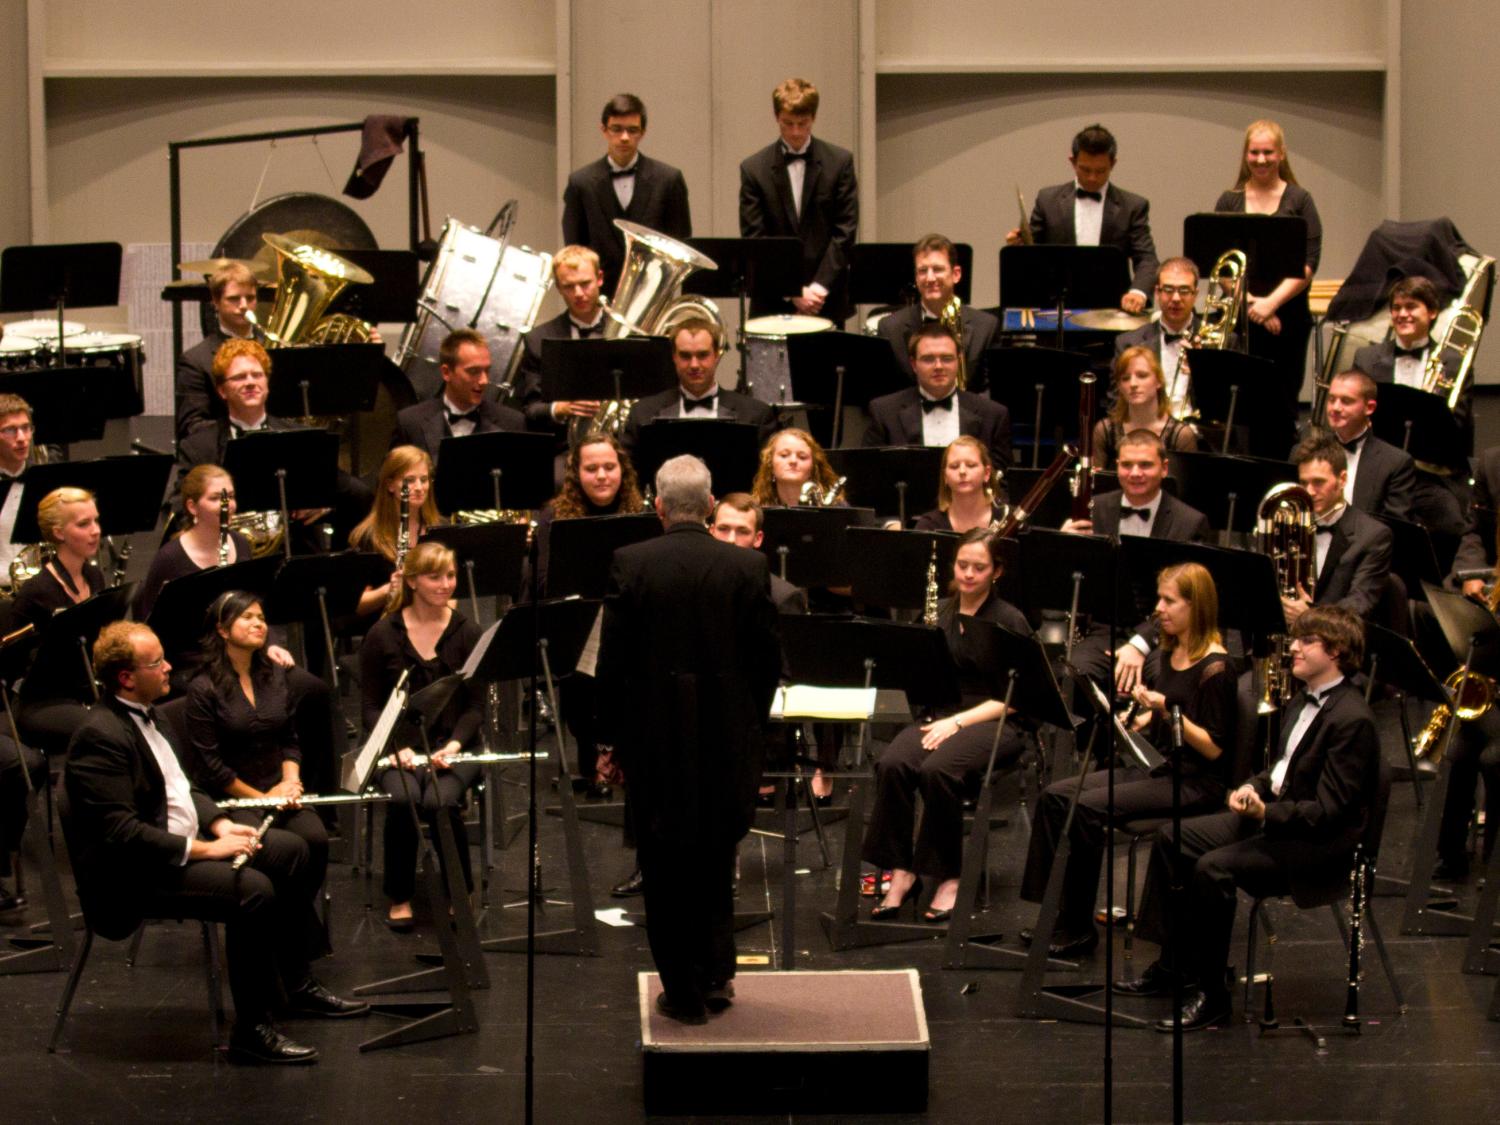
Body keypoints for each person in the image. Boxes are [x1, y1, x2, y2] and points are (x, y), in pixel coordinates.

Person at [64, 622, 368, 1064]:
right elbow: (121, 833)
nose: (170, 668)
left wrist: (221, 825)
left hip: (178, 846)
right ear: (126, 677)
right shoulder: (99, 735)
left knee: (291, 851)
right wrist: (207, 849)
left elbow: (184, 789)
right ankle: (252, 1030)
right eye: (156, 663)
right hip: (135, 873)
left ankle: (294, 983)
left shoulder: (158, 714)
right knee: (254, 892)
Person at [1119, 606, 1378, 1031]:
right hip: (1277, 817)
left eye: (1305, 641)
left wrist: (1267, 812)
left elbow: (1331, 812)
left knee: (1212, 868)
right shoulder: (1301, 698)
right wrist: (1253, 787)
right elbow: (1281, 768)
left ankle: (1213, 995)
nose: (1292, 647)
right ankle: (1174, 965)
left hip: (1316, 843)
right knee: (1171, 839)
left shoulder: (1353, 720)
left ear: (1335, 652)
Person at [597, 454, 780, 1023]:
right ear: (708, 507)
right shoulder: (747, 569)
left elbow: (613, 666)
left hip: (654, 739)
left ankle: (682, 991)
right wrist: (750, 721)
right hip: (727, 734)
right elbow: (767, 663)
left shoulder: (629, 563)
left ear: (657, 505)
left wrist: (610, 742)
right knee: (715, 856)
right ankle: (717, 976)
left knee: (663, 863)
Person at [1020, 562, 1237, 956]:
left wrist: (1166, 708)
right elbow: (1169, 712)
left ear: (1195, 606)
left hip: (1193, 782)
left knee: (1085, 808)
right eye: (1160, 598)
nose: (1160, 609)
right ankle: (1055, 909)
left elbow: (1213, 746)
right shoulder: (1171, 653)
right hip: (1157, 765)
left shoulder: (1217, 668)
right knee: (1055, 796)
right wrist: (1140, 718)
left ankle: (1077, 925)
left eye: (1169, 601)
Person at [862, 529, 1033, 923]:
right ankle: (902, 870)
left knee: (938, 770)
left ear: (997, 571)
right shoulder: (939, 610)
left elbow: (1017, 696)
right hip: (941, 714)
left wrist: (957, 723)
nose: (969, 574)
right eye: (962, 565)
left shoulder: (1010, 620)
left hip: (993, 720)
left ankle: (948, 874)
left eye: (979, 567)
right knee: (892, 764)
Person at [184, 591, 330, 954]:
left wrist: (291, 779)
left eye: (261, 617)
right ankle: (293, 938)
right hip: (233, 796)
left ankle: (287, 924)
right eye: (247, 617)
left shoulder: (273, 676)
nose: (258, 624)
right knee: (286, 848)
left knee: (316, 840)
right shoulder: (203, 689)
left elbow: (290, 739)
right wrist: (263, 798)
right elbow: (210, 767)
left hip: (277, 787)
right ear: (222, 629)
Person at [358, 542, 484, 931]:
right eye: (434, 577)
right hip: (396, 748)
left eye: (449, 575)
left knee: (442, 801)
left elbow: (476, 706)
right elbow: (370, 707)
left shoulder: (468, 632)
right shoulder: (382, 634)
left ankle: (457, 892)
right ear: (411, 581)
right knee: (404, 798)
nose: (445, 584)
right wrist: (397, 748)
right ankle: (399, 894)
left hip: (455, 746)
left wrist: (453, 745)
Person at [533, 433, 649, 814]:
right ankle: (593, 760)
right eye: (591, 468)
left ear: (622, 470)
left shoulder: (640, 512)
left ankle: (620, 760)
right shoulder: (555, 516)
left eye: (609, 467)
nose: (602, 475)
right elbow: (546, 576)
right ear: (576, 473)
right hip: (578, 616)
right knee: (582, 697)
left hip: (626, 615)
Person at [176, 339, 372, 545]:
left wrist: (324, 504)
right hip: (227, 557)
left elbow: (357, 495)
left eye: (257, 375)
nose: (250, 382)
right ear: (222, 391)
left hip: (295, 555)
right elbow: (181, 510)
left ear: (267, 384)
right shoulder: (198, 447)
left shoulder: (303, 439)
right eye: (239, 377)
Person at [1213, 120, 1323, 457]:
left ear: (1281, 154)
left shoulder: (1300, 199)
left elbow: (1309, 262)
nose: (1261, 159)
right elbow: (1221, 265)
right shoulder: (1230, 201)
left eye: (1268, 152)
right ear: (1246, 154)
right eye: (1255, 152)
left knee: (1282, 406)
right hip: (1242, 319)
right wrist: (1252, 306)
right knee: (1242, 405)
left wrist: (1271, 304)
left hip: (1288, 320)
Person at [1353, 275, 1473, 538]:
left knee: (1453, 527)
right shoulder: (1367, 358)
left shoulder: (1453, 362)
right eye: (1396, 308)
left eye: (1411, 307)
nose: (1402, 314)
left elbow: (1459, 428)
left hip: (1430, 476)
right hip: (1380, 473)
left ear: (1432, 312)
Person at [739, 77, 859, 324]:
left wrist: (818, 288)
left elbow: (845, 231)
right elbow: (756, 239)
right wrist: (793, 291)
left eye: (802, 124)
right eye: (787, 124)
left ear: (813, 118)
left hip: (826, 300)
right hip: (773, 300)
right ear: (776, 118)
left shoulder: (839, 163)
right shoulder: (754, 169)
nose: (795, 132)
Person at [1008, 124, 1159, 313]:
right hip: (1058, 310)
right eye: (1085, 170)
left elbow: (1146, 258)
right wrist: (1018, 247)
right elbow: (1034, 253)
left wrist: (1138, 292)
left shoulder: (1133, 206)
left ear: (1113, 163)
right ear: (1072, 161)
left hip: (1113, 310)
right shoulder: (1048, 200)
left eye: (1100, 171)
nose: (1092, 178)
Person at [562, 94, 691, 294]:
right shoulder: (581, 182)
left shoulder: (668, 180)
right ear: (603, 130)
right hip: (599, 296)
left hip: (652, 293)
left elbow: (680, 244)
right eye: (616, 129)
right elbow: (574, 250)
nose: (624, 137)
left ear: (643, 133)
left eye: (632, 130)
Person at [862, 322, 1012, 471]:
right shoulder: (884, 412)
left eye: (947, 358)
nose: (938, 366)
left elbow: (1001, 484)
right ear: (914, 364)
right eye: (928, 359)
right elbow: (870, 474)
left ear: (959, 361)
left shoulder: (993, 415)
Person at [620, 317, 778, 456]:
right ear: (674, 357)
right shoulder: (642, 414)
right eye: (685, 356)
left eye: (702, 355)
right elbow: (629, 478)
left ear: (717, 355)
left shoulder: (756, 415)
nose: (694, 365)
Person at [1282, 434, 1394, 627]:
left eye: (1318, 482)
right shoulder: (1289, 527)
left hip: (1340, 646)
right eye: (1303, 483)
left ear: (1342, 479)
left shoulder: (1374, 536)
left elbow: (1359, 605)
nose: (1309, 491)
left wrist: (1311, 616)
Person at [876, 234, 1000, 392]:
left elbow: (991, 395)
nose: (930, 278)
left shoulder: (986, 326)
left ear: (956, 274)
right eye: (922, 271)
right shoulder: (890, 328)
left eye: (937, 269)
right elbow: (885, 395)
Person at [513, 245, 609, 445]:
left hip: (617, 443)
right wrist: (560, 408)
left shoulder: (624, 333)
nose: (578, 293)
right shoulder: (538, 339)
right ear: (557, 287)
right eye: (568, 286)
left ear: (599, 278)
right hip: (564, 446)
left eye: (585, 283)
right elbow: (530, 408)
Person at [135, 463, 255, 622]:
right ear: (192, 507)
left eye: (230, 497)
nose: (228, 505)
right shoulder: (169, 558)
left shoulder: (241, 543)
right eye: (215, 498)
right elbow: (149, 621)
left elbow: (254, 606)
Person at [388, 328, 525, 466]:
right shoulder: (410, 423)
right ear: (446, 373)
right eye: (473, 371)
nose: (484, 380)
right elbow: (393, 482)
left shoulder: (512, 424)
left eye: (487, 371)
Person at [1309, 370, 1416, 522]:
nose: (1335, 408)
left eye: (1346, 401)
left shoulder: (1395, 463)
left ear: (1370, 408)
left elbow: (1392, 528)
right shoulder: (1306, 452)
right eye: (1331, 400)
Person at [175, 262, 262, 443]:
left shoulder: (275, 349)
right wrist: (245, 431)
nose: (244, 305)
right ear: (215, 301)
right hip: (224, 457)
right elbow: (191, 425)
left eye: (250, 297)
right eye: (234, 299)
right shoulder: (195, 360)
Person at [350, 446, 443, 616]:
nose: (419, 487)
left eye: (424, 479)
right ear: (390, 485)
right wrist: (389, 589)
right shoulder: (367, 537)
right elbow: (355, 604)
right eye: (409, 480)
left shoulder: (440, 530)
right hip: (387, 629)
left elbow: (454, 589)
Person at [1093, 346, 1199, 467]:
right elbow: (1095, 483)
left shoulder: (1182, 435)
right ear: (1119, 386)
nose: (1133, 384)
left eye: (1142, 376)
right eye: (1125, 378)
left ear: (1159, 381)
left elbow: (1186, 485)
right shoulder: (1104, 430)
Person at [710, 493, 808, 615]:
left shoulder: (783, 597)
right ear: (711, 532)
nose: (731, 539)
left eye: (743, 531)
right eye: (723, 529)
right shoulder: (689, 584)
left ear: (758, 538)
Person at [0, 393, 54, 587]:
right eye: (10, 430)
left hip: (37, 592)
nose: (22, 438)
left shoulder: (45, 483)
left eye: (26, 428)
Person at [908, 436, 1005, 533]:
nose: (962, 471)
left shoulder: (1007, 518)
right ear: (945, 476)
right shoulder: (928, 526)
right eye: (954, 466)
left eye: (971, 465)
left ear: (987, 473)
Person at [751, 427, 844, 509]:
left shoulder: (836, 508)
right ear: (770, 464)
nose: (793, 461)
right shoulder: (754, 510)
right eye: (784, 455)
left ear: (813, 467)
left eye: (802, 457)